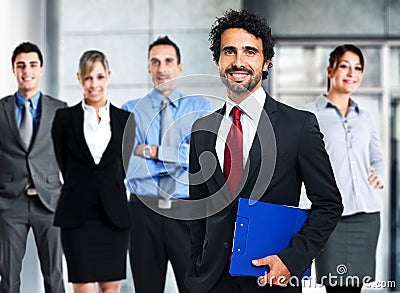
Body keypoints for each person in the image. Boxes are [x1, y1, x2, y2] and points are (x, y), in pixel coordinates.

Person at [185, 9, 343, 293]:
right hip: (211, 281)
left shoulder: (299, 126)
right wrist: (195, 269)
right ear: (218, 60)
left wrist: (292, 261)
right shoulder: (202, 131)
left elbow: (329, 205)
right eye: (229, 52)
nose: (238, 61)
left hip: (271, 278)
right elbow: (199, 210)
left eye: (250, 52)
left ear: (266, 61)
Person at [121, 36, 211, 293]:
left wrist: (152, 152)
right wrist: (177, 158)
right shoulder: (130, 111)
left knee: (193, 287)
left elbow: (199, 160)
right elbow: (129, 167)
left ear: (179, 68)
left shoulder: (200, 107)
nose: (162, 68)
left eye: (168, 61)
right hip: (142, 212)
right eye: (155, 62)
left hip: (185, 211)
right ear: (149, 68)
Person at [51, 50, 135, 293]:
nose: (94, 84)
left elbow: (124, 166)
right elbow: (63, 163)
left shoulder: (125, 119)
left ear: (108, 76)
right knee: (83, 286)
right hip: (77, 215)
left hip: (113, 215)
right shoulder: (64, 118)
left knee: (111, 288)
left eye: (99, 77)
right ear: (79, 79)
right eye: (88, 78)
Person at [303, 44, 384, 293]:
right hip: (329, 219)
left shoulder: (365, 116)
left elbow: (377, 157)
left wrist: (377, 173)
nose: (352, 73)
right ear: (330, 70)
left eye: (358, 68)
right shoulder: (310, 115)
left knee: (355, 288)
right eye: (345, 66)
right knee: (336, 287)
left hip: (367, 215)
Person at [0, 42, 66, 293]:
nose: (27, 70)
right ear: (14, 70)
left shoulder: (59, 109)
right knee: (7, 277)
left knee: (54, 275)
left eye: (32, 65)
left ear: (41, 69)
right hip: (9, 204)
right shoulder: (1, 110)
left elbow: (69, 158)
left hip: (49, 202)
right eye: (21, 65)